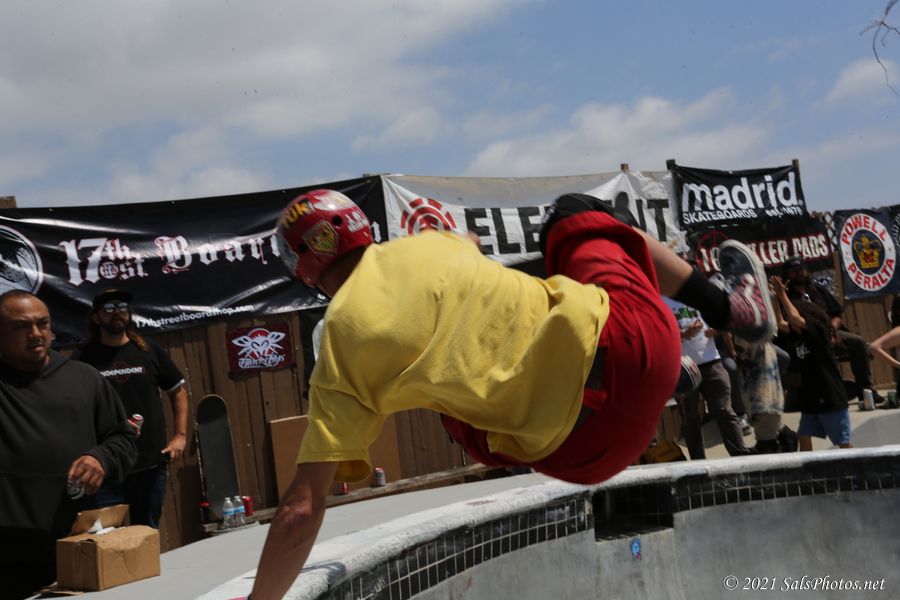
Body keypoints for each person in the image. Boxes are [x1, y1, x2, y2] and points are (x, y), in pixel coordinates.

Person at [249, 190, 776, 599]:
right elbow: (472, 244)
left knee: (451, 402)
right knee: (574, 215)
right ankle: (729, 309)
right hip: (637, 347)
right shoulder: (427, 245)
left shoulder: (339, 345)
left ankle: (650, 385)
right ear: (360, 227)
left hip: (583, 453)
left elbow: (302, 508)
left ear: (304, 271)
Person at [0, 290, 137, 599]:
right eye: (21, 326)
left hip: (77, 544)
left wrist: (101, 458)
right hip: (8, 554)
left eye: (42, 323)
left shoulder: (84, 378)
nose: (36, 334)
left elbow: (123, 439)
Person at [72, 288, 189, 528]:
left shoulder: (148, 350)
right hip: (106, 469)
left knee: (146, 534)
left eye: (122, 307)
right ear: (96, 317)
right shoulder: (83, 358)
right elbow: (72, 406)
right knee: (104, 537)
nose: (117, 312)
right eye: (109, 308)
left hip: (150, 466)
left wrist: (180, 436)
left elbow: (177, 392)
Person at [770, 276, 852, 451]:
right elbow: (780, 322)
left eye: (794, 319)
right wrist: (776, 298)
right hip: (811, 397)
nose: (791, 321)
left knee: (843, 442)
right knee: (804, 435)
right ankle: (808, 467)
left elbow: (795, 318)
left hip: (830, 396)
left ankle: (859, 466)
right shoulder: (799, 334)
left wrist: (782, 295)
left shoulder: (818, 331)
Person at [783, 255, 879, 403]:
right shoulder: (785, 296)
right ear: (788, 274)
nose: (799, 273)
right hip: (802, 339)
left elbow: (837, 314)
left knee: (858, 343)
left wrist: (832, 330)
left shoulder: (817, 289)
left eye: (801, 269)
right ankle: (830, 391)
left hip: (828, 334)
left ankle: (865, 390)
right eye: (794, 271)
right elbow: (785, 323)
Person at [665, 298, 749, 458]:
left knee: (724, 410)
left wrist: (716, 330)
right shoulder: (661, 302)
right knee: (690, 418)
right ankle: (699, 463)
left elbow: (723, 322)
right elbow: (658, 334)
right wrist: (683, 334)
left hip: (712, 362)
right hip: (683, 368)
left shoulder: (697, 295)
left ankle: (740, 456)